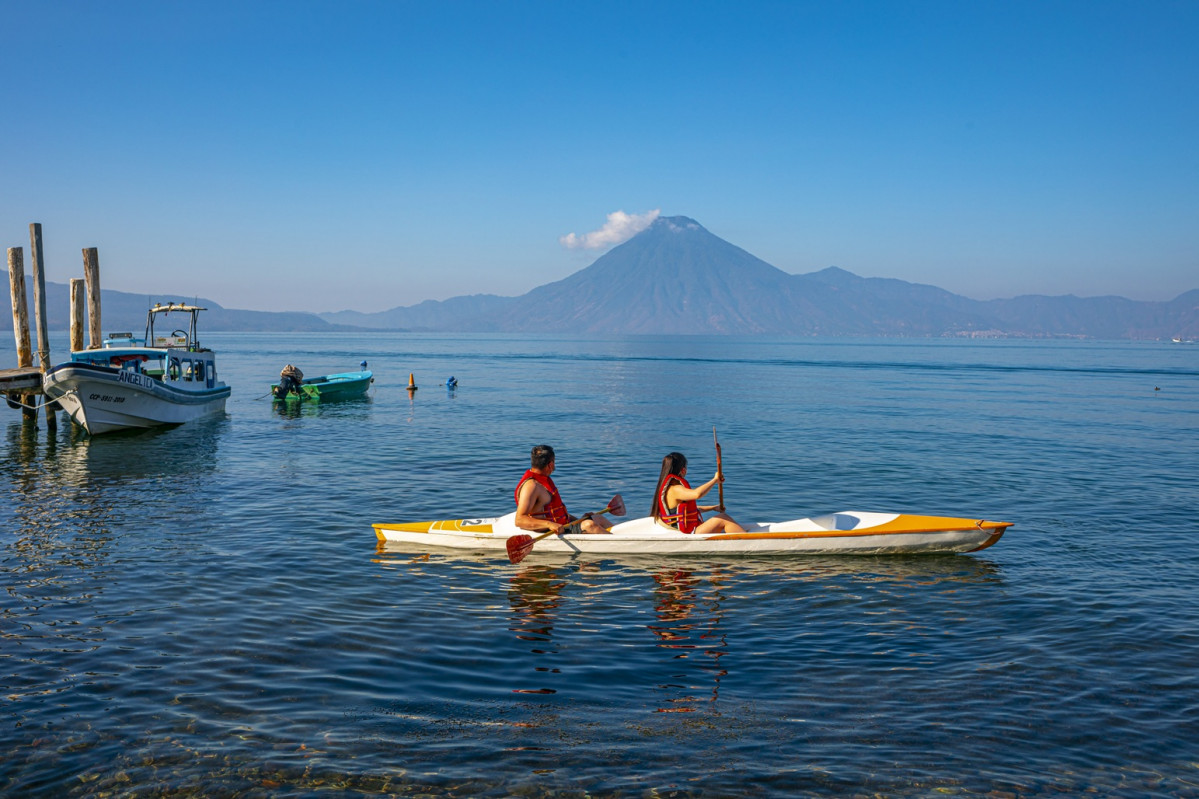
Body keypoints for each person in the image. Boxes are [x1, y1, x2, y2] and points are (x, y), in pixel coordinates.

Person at [515, 445, 614, 535]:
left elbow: (554, 512)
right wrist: (550, 525)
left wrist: (580, 520)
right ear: (550, 465)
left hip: (563, 526)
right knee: (589, 525)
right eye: (554, 461)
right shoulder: (532, 486)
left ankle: (620, 536)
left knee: (598, 518)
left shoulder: (544, 479)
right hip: (550, 531)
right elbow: (519, 520)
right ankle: (618, 544)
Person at [652, 451, 745, 535]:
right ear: (683, 470)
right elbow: (697, 494)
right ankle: (746, 541)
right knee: (723, 518)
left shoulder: (669, 487)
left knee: (723, 518)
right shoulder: (675, 489)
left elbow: (690, 510)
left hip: (684, 529)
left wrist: (713, 508)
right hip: (689, 532)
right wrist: (715, 480)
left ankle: (742, 535)